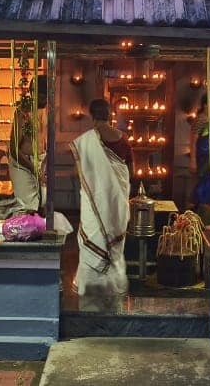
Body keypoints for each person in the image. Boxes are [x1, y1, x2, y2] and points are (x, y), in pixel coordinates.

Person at [71, 99, 133, 307]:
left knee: (94, 235)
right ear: (109, 115)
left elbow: (82, 174)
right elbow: (127, 171)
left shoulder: (88, 141)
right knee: (113, 239)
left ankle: (90, 284)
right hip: (116, 202)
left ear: (92, 116)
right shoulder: (123, 140)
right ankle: (112, 285)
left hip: (94, 200)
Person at [0, 76, 48, 226]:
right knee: (26, 205)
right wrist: (33, 169)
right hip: (22, 163)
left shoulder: (47, 110)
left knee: (43, 201)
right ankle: (12, 232)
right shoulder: (23, 112)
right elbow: (14, 149)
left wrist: (43, 164)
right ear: (33, 93)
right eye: (42, 96)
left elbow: (45, 141)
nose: (45, 100)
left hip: (40, 161)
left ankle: (35, 236)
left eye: (48, 96)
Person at [189, 93, 210, 225]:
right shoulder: (201, 119)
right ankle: (198, 222)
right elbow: (193, 141)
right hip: (203, 160)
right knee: (203, 189)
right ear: (205, 104)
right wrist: (192, 160)